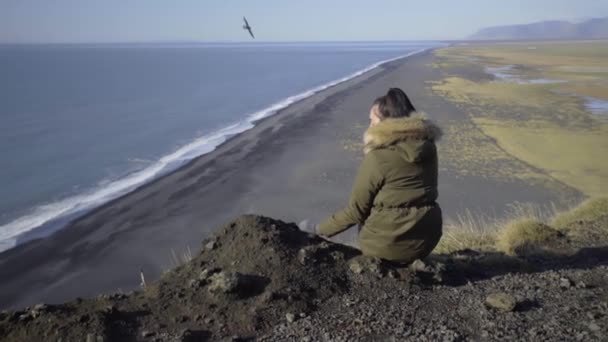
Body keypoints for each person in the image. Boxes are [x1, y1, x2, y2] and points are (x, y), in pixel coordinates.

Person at [314, 88, 443, 264]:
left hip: (386, 246)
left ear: (387, 125)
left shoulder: (378, 158)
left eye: (373, 122)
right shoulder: (428, 148)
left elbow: (355, 211)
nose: (369, 127)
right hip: (427, 240)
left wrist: (318, 230)